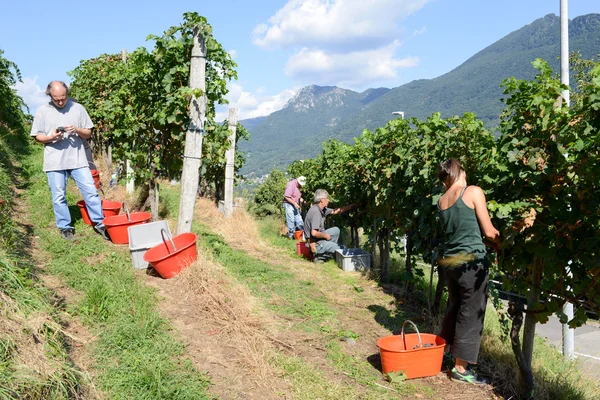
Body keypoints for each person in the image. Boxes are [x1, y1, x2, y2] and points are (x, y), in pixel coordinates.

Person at [436, 158, 500, 385]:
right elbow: (489, 232)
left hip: (451, 262)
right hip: (471, 262)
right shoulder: (472, 191)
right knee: (471, 312)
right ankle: (461, 369)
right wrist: (503, 244)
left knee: (455, 307)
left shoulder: (442, 201)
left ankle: (442, 352)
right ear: (460, 172)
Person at [30, 81, 109, 241]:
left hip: (78, 159)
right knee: (58, 195)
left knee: (91, 192)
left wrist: (77, 130)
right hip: (54, 162)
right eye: (56, 99)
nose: (60, 102)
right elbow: (38, 137)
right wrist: (51, 137)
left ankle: (100, 224)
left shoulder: (78, 108)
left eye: (63, 98)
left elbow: (88, 134)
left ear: (67, 94)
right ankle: (65, 227)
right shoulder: (43, 111)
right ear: (50, 96)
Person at [303, 189, 354, 263]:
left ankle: (327, 250)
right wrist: (325, 235)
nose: (328, 200)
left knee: (336, 230)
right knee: (342, 249)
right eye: (326, 198)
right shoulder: (316, 212)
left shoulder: (320, 208)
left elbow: (335, 211)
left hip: (316, 238)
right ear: (321, 200)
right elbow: (314, 233)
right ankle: (319, 256)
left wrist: (351, 206)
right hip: (314, 242)